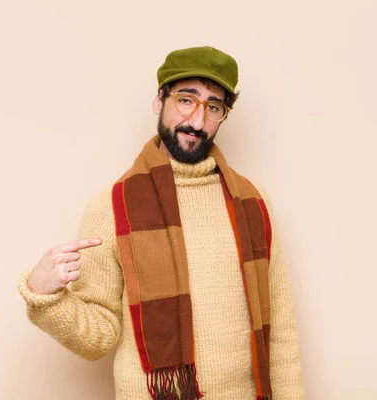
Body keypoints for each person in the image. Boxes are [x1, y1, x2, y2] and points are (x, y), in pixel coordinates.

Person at [18, 46, 305, 400]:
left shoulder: (253, 201)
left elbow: (281, 330)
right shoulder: (113, 205)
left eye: (213, 107)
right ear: (160, 101)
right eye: (186, 100)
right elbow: (99, 338)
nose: (197, 122)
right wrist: (45, 295)